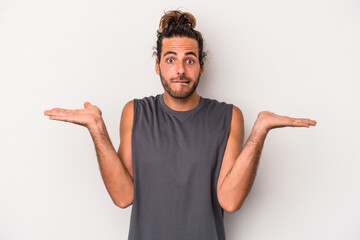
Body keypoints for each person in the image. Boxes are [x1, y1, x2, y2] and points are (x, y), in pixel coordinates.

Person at [44, 9, 317, 240]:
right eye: (170, 59)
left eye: (190, 60)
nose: (180, 70)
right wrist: (97, 130)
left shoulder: (228, 116)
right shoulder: (136, 112)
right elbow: (123, 197)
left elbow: (230, 201)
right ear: (158, 66)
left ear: (201, 67)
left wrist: (258, 133)